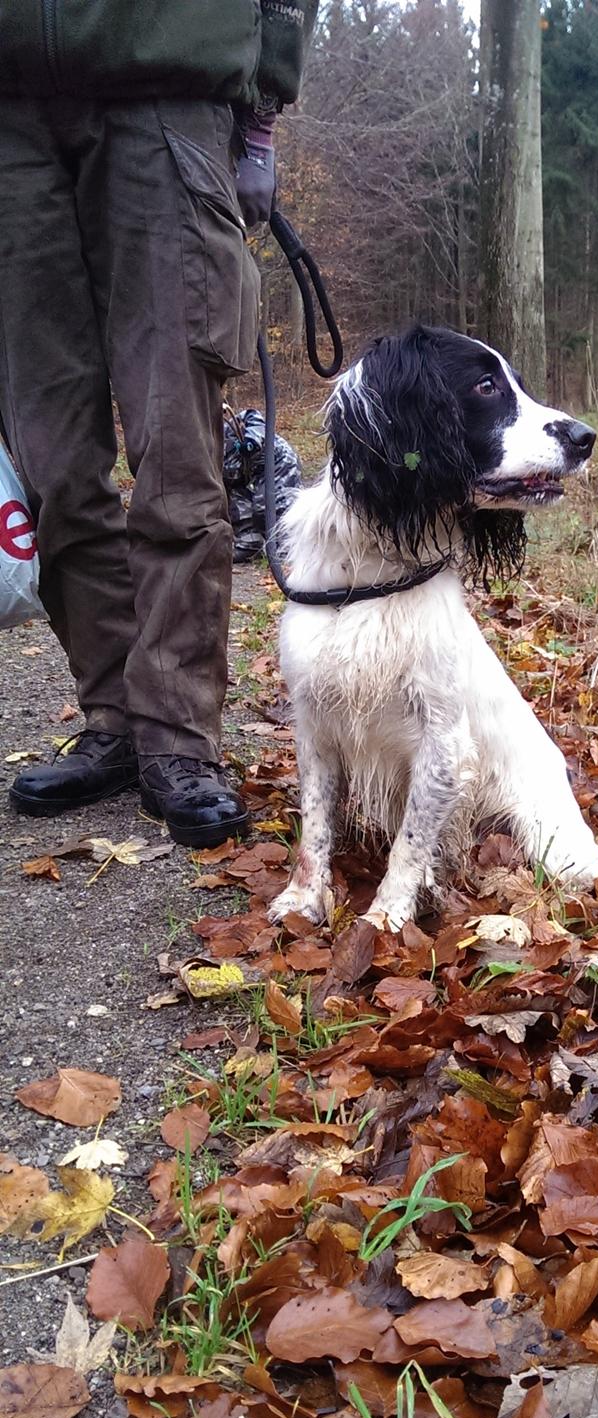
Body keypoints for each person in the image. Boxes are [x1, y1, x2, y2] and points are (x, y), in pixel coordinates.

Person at [0, 1, 312, 847]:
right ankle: (117, 719)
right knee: (49, 465)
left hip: (167, 88)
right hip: (10, 125)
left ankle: (178, 735)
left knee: (176, 454)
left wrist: (261, 120)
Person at [224, 407, 303, 564]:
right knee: (233, 500)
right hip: (245, 472)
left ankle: (288, 547)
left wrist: (251, 439)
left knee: (266, 506)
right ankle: (250, 544)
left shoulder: (219, 425)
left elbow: (252, 415)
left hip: (278, 461)